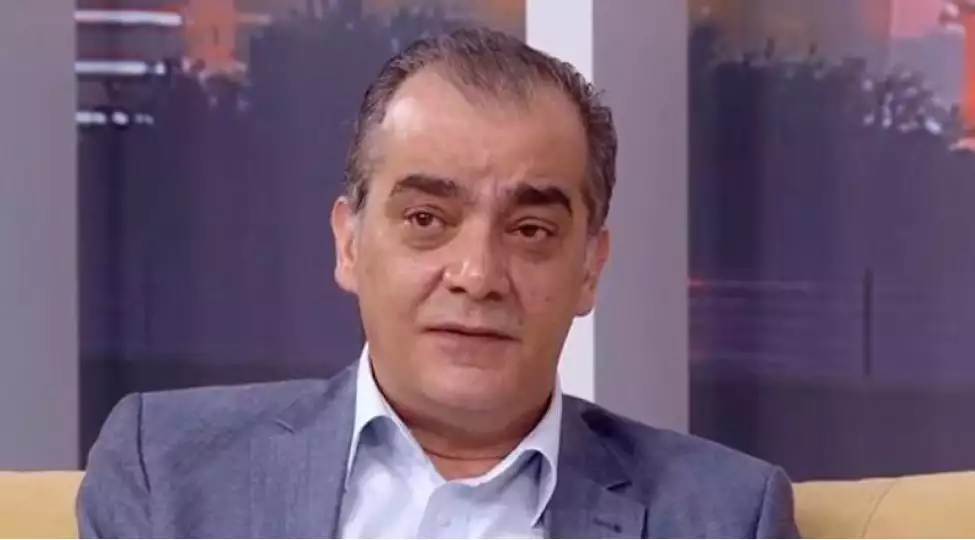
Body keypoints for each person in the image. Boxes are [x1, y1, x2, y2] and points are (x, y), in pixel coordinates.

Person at [78, 27, 800, 539]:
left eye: (530, 231)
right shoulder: (167, 469)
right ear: (349, 243)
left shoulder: (725, 516)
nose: (478, 276)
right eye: (427, 219)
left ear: (590, 268)